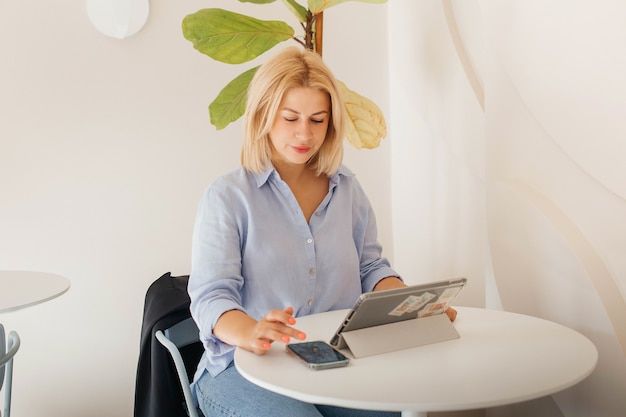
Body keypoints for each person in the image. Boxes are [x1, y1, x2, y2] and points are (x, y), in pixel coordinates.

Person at [188, 46, 456, 417]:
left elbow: (371, 269)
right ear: (264, 115)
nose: (305, 133)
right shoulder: (228, 197)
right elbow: (210, 297)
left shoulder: (347, 189)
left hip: (331, 360)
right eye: (290, 118)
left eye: (318, 120)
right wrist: (250, 331)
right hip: (243, 366)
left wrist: (414, 306)